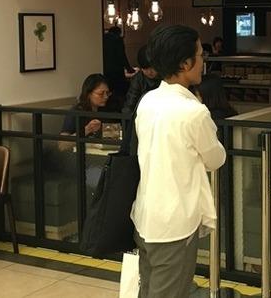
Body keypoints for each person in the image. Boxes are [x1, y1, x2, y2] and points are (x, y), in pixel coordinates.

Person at [130, 25, 226, 298]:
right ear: (185, 63)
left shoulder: (148, 101)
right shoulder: (193, 112)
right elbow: (216, 158)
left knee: (148, 290)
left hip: (145, 215)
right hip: (174, 223)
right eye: (200, 54)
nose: (203, 60)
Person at [60, 74, 110, 139]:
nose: (106, 97)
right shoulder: (76, 112)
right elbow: (62, 143)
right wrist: (87, 130)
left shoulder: (106, 109)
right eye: (101, 94)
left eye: (107, 93)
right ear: (88, 94)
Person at [121, 44, 161, 115]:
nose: (149, 72)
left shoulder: (167, 76)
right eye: (145, 69)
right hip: (143, 114)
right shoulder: (138, 79)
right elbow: (130, 104)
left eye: (152, 68)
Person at [102, 26, 134, 107]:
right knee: (120, 92)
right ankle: (120, 108)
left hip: (105, 70)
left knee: (109, 91)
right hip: (117, 70)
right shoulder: (118, 39)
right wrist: (129, 69)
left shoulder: (102, 38)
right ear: (118, 33)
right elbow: (122, 56)